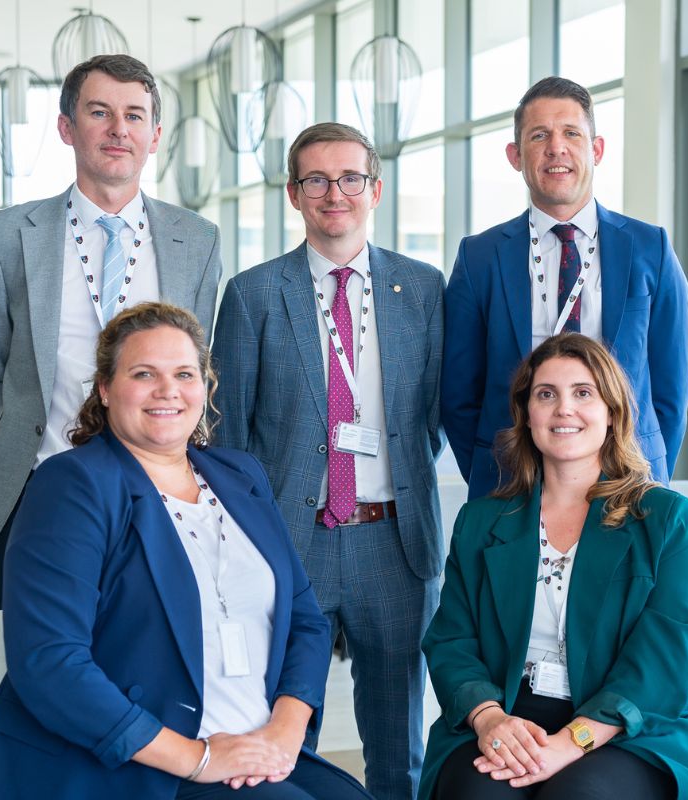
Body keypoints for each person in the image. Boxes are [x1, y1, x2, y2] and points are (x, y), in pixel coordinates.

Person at [0, 303, 370, 800]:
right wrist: (198, 758)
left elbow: (306, 622)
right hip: (140, 764)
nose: (167, 390)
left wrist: (283, 735)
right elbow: (51, 663)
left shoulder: (241, 476)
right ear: (106, 389)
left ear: (205, 387)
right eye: (143, 374)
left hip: (256, 749)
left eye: (184, 373)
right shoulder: (71, 486)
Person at [0, 54, 222, 722]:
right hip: (36, 494)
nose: (118, 129)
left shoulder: (195, 239)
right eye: (99, 112)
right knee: (24, 681)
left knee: (152, 678)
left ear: (155, 134)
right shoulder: (5, 238)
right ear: (66, 127)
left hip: (159, 500)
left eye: (134, 115)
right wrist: (34, 450)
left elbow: (199, 364)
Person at [211, 122, 445, 800]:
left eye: (349, 178)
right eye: (316, 179)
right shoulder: (254, 294)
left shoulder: (423, 289)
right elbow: (230, 436)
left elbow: (429, 419)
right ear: (294, 193)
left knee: (399, 744)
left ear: (375, 188)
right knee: (284, 736)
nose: (333, 193)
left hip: (393, 544)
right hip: (291, 541)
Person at [419, 333, 688, 800]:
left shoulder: (666, 519)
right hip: (510, 715)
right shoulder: (480, 521)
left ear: (612, 412)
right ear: (527, 414)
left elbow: (664, 660)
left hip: (627, 728)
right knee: (478, 795)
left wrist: (571, 742)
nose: (564, 409)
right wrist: (489, 718)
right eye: (546, 394)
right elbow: (451, 640)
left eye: (583, 393)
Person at [441, 76, 688, 500]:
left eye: (571, 133)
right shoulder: (480, 257)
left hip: (625, 480)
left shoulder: (651, 250)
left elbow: (671, 390)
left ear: (596, 150)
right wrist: (496, 468)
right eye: (539, 136)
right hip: (511, 483)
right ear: (516, 156)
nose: (556, 147)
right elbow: (458, 395)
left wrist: (635, 456)